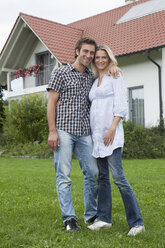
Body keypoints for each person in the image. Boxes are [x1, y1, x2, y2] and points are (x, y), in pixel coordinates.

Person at [47, 38, 120, 232]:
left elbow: (105, 76)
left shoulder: (91, 76)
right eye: (85, 52)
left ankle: (91, 214)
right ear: (77, 51)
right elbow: (51, 101)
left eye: (91, 53)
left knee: (93, 173)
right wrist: (52, 131)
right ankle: (69, 218)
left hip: (85, 132)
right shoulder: (60, 72)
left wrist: (113, 68)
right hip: (63, 130)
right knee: (63, 176)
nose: (88, 56)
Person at [87, 44, 145, 236]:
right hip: (97, 137)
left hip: (111, 136)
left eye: (104, 57)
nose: (100, 60)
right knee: (102, 178)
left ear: (110, 58)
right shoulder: (96, 81)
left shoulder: (115, 76)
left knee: (119, 179)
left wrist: (112, 128)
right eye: (98, 57)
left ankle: (137, 223)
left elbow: (121, 104)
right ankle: (104, 218)